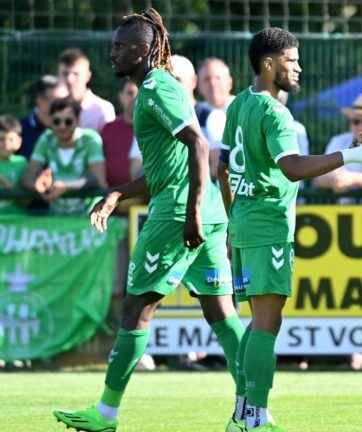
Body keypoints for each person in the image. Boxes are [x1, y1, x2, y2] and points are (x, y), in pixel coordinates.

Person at [52, 8, 245, 432]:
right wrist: (118, 193)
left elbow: (198, 146)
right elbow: (165, 168)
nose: (112, 53)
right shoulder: (155, 89)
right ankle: (253, 414)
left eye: (120, 47)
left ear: (142, 51)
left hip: (180, 215)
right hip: (203, 212)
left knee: (135, 309)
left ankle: (105, 414)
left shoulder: (157, 88)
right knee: (222, 314)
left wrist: (190, 213)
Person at [218, 27, 362, 431]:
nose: (299, 68)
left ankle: (243, 411)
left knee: (258, 321)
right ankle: (254, 416)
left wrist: (231, 219)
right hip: (268, 225)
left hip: (243, 223)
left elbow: (223, 168)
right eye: (292, 61)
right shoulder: (276, 112)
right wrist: (350, 154)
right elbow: (291, 167)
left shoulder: (239, 104)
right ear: (269, 63)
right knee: (266, 323)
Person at [22, 97, 107, 214]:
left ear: (78, 120)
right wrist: (38, 186)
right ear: (51, 121)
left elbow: (98, 179)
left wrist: (66, 186)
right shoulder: (46, 138)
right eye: (57, 121)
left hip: (89, 217)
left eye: (68, 121)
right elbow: (28, 177)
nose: (62, 126)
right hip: (57, 219)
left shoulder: (90, 139)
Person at [58, 48, 116, 132]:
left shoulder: (103, 109)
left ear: (88, 76)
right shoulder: (54, 107)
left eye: (76, 74)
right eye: (65, 74)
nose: (70, 80)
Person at [198, 57, 235, 176]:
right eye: (207, 79)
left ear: (230, 82)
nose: (213, 83)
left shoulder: (241, 110)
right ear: (198, 86)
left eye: (218, 78)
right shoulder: (194, 113)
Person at [20, 75, 69, 159]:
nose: (64, 106)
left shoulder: (72, 129)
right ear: (40, 100)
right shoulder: (18, 131)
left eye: (66, 100)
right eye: (57, 101)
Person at [101, 79, 138, 188]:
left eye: (141, 93)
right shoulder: (109, 129)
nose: (136, 98)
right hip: (112, 198)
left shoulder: (155, 130)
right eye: (130, 93)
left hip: (145, 198)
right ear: (121, 97)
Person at [0, 115, 28, 212]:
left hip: (18, 220)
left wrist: (4, 182)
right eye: (1, 139)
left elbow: (25, 201)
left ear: (19, 141)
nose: (6, 144)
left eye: (11, 139)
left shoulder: (22, 162)